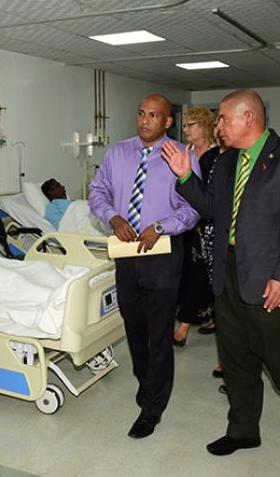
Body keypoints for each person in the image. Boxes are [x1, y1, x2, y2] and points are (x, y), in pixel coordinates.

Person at [162, 89, 280, 456]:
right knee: (234, 356)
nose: (218, 127)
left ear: (249, 118)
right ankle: (243, 428)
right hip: (227, 269)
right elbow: (211, 209)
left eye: (223, 119)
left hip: (270, 275)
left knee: (277, 355)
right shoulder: (228, 161)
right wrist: (186, 176)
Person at [89, 93, 199, 439]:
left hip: (164, 254)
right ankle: (145, 380)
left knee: (159, 330)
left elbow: (193, 208)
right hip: (126, 254)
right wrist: (113, 215)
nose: (145, 120)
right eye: (141, 113)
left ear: (168, 121)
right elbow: (97, 192)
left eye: (154, 115)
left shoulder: (183, 157)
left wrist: (162, 226)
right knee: (134, 326)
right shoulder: (118, 153)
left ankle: (153, 406)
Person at [173, 107, 218, 348]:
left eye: (191, 125)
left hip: (208, 224)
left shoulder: (217, 155)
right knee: (189, 273)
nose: (185, 130)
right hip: (187, 222)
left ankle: (183, 326)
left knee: (202, 274)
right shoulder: (185, 152)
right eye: (185, 126)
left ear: (204, 126)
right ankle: (213, 315)